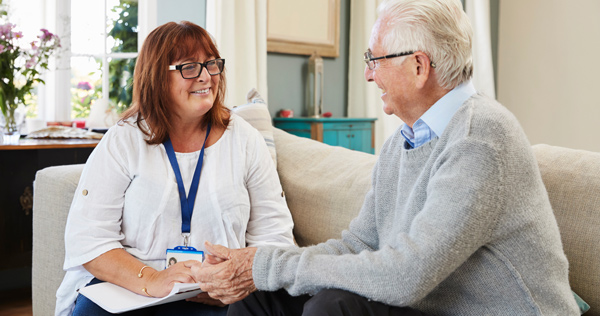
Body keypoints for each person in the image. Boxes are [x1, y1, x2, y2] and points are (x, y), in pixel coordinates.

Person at [191, 0, 581, 315]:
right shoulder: (404, 142)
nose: (367, 75)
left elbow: (407, 275)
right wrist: (259, 265)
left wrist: (265, 266)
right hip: (429, 306)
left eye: (374, 60)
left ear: (418, 66)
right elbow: (359, 243)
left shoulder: (481, 137)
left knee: (333, 307)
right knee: (259, 298)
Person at [55, 21, 294, 316]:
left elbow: (275, 237)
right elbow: (88, 240)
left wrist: (235, 283)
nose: (206, 76)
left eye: (211, 64)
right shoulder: (124, 140)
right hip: (132, 288)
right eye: (190, 67)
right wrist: (154, 279)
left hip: (221, 297)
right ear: (157, 77)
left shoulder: (244, 139)